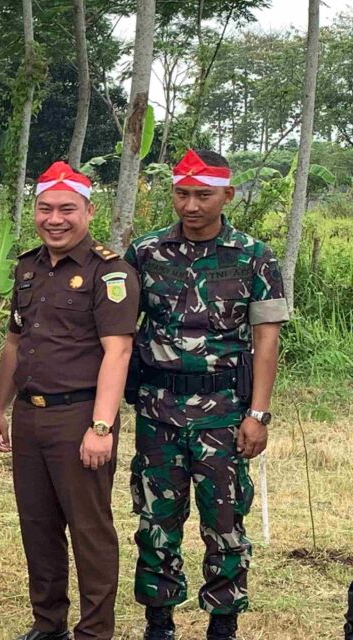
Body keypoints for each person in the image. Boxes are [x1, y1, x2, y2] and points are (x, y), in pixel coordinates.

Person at [126, 149, 289, 640]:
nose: (191, 205)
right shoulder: (146, 252)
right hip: (158, 410)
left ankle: (223, 623)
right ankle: (159, 622)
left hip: (224, 413)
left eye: (203, 195)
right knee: (157, 519)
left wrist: (258, 414)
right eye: (182, 193)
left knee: (224, 521)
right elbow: (118, 330)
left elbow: (267, 340)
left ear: (227, 195)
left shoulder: (255, 256)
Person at [0, 162, 139, 640]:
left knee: (89, 532)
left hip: (80, 416)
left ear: (89, 211)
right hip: (31, 417)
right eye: (45, 208)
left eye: (67, 209)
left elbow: (119, 351)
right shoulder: (28, 266)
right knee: (38, 526)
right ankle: (47, 623)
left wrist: (101, 428)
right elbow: (14, 343)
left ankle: (94, 631)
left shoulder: (110, 272)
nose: (55, 218)